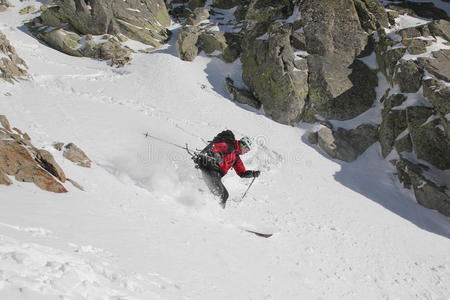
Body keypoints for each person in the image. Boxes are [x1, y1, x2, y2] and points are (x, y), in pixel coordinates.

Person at [193, 130, 260, 208]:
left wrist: (253, 173)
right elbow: (214, 146)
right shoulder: (229, 146)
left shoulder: (236, 158)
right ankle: (212, 211)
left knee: (224, 195)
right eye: (247, 149)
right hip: (211, 169)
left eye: (248, 151)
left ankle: (201, 203)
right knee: (222, 195)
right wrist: (217, 155)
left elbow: (242, 173)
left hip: (216, 175)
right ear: (243, 144)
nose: (246, 152)